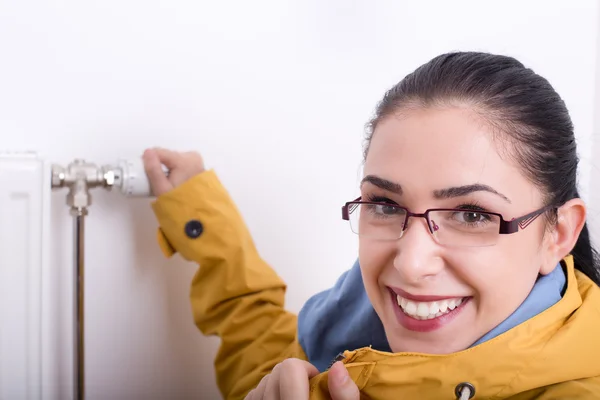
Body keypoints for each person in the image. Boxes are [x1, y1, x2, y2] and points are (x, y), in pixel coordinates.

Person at [144, 51, 600, 399]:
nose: (411, 262)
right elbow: (267, 355)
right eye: (385, 203)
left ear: (558, 234)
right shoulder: (349, 327)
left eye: (472, 215)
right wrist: (199, 213)